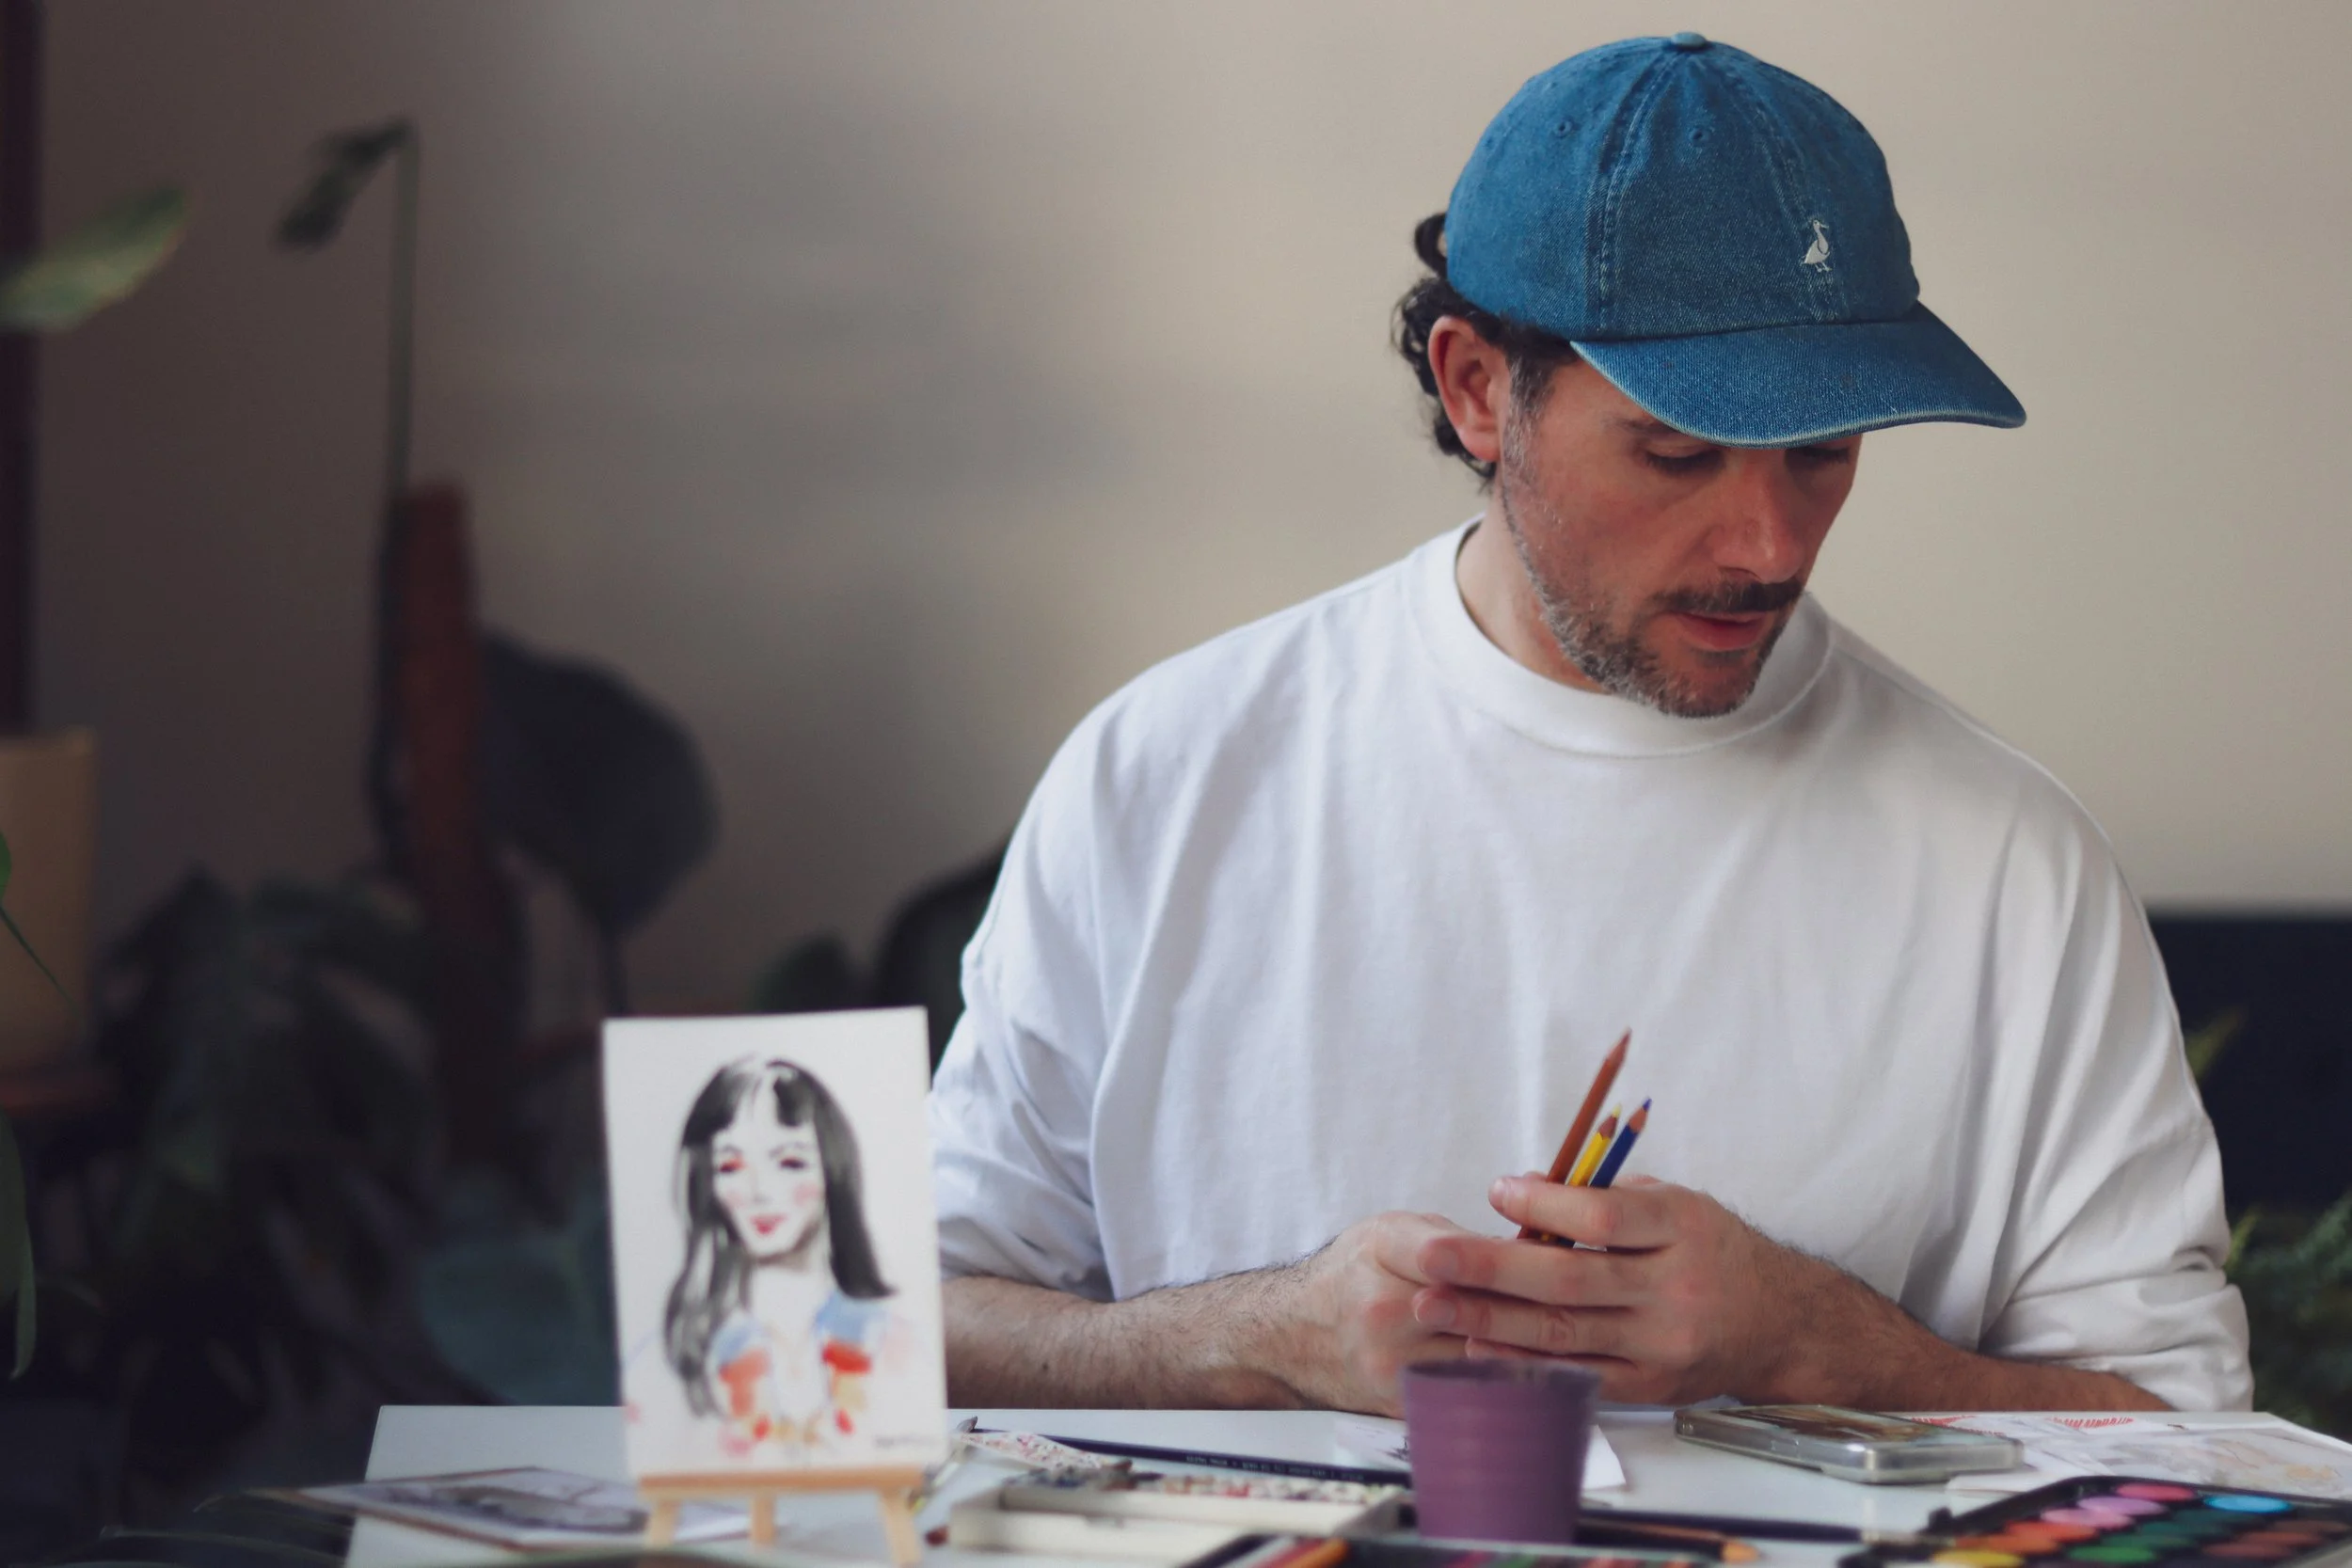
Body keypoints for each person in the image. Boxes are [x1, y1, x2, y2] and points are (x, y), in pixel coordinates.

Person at [927, 35, 2251, 1414]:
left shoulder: (2009, 861)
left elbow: (2189, 1431)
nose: (1770, 544)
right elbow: (909, 1318)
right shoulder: (1163, 777)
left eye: (1824, 450)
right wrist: (1252, 1338)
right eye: (1677, 451)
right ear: (1477, 389)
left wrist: (1812, 1341)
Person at [664, 1056, 896, 1453]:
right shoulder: (688, 1347)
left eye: (790, 1162)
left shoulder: (888, 1335)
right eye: (730, 1166)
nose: (760, 1191)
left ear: (832, 1167)